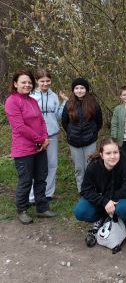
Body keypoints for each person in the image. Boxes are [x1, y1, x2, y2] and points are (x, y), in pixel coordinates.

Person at [5, 69, 56, 224]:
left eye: (29, 82)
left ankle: (42, 208)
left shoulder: (32, 101)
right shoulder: (12, 101)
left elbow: (41, 121)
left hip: (40, 146)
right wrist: (40, 139)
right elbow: (19, 127)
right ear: (15, 84)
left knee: (41, 178)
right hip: (23, 149)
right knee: (26, 180)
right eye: (23, 82)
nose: (27, 85)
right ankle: (22, 209)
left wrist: (45, 138)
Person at [73, 137, 126, 247]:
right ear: (102, 155)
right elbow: (85, 190)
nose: (112, 156)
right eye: (108, 153)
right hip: (103, 199)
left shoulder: (125, 164)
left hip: (120, 199)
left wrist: (109, 200)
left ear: (119, 152)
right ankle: (101, 218)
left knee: (125, 208)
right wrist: (105, 202)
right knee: (80, 211)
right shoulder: (93, 166)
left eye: (115, 152)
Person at [29, 68, 68, 203]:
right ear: (36, 81)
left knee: (52, 164)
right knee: (35, 165)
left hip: (52, 134)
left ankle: (48, 193)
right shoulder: (31, 96)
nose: (45, 83)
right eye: (42, 81)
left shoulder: (53, 96)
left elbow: (57, 116)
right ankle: (32, 196)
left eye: (48, 81)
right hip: (36, 136)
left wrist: (64, 103)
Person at [62, 78, 102, 192]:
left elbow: (99, 122)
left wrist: (93, 132)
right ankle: (82, 190)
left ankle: (91, 188)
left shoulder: (94, 103)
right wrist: (70, 133)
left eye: (82, 88)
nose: (79, 90)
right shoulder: (68, 104)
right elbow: (64, 122)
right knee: (79, 168)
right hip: (74, 142)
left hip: (90, 140)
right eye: (77, 88)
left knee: (90, 165)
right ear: (73, 90)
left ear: (86, 89)